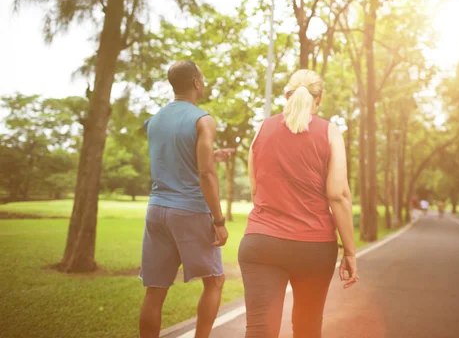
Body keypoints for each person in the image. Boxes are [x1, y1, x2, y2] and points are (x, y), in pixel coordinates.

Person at [239, 69, 358, 338]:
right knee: (307, 328)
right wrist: (349, 252)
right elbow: (338, 194)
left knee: (259, 331)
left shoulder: (262, 128)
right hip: (313, 248)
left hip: (262, 243)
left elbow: (255, 188)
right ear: (320, 99)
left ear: (286, 95)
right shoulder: (330, 132)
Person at [138, 60, 233, 338]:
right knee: (215, 282)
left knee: (155, 291)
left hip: (156, 210)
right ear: (196, 83)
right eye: (202, 78)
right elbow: (206, 174)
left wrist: (212, 156)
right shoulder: (203, 119)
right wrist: (218, 220)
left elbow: (172, 158)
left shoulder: (154, 121)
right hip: (190, 211)